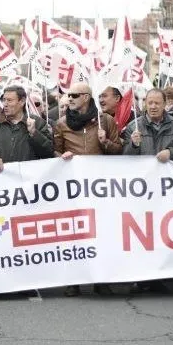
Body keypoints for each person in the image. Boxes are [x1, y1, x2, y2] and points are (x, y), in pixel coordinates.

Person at [55, 82, 121, 297]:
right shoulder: (61, 123)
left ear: (86, 97)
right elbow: (54, 152)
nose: (70, 98)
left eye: (74, 95)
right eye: (68, 95)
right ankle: (74, 281)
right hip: (73, 188)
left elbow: (119, 151)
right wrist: (62, 156)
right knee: (74, 234)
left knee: (100, 233)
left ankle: (100, 280)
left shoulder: (106, 121)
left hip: (98, 188)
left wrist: (106, 142)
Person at [122, 88, 173, 294]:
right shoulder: (133, 127)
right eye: (149, 102)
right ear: (145, 104)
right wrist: (133, 145)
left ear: (164, 104)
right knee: (143, 235)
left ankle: (159, 276)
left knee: (162, 233)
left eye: (157, 103)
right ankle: (142, 277)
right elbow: (124, 159)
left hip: (166, 191)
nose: (152, 106)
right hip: (142, 192)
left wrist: (171, 152)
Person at [0, 85, 55, 174]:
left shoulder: (38, 122)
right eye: (4, 100)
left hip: (30, 177)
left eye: (9, 100)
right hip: (1, 177)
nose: (5, 104)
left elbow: (49, 152)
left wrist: (34, 133)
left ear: (22, 101)